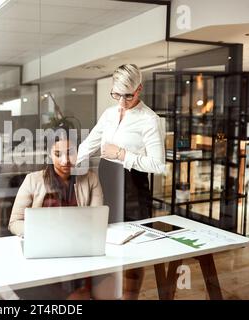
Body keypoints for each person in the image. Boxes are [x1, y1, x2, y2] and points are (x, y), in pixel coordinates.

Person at [76, 64, 166, 299]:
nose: (123, 101)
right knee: (102, 240)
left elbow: (158, 165)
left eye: (129, 95)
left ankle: (130, 298)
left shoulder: (149, 120)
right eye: (117, 95)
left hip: (133, 186)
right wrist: (69, 163)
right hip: (106, 181)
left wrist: (122, 154)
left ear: (139, 89)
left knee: (134, 249)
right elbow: (90, 143)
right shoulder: (109, 114)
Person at [8, 125, 103, 299]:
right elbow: (14, 222)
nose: (66, 160)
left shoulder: (91, 179)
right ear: (49, 155)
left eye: (70, 152)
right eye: (58, 154)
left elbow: (98, 221)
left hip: (79, 253)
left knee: (101, 291)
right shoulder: (33, 180)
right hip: (44, 254)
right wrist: (41, 232)